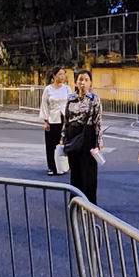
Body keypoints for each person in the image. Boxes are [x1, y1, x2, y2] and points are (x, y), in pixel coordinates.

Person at [61, 70, 103, 204]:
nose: (83, 82)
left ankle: (90, 203)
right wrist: (63, 136)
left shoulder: (94, 99)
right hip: (72, 135)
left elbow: (98, 121)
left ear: (91, 83)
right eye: (80, 79)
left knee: (88, 171)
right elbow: (66, 119)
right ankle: (76, 202)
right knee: (75, 170)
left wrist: (99, 141)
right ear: (75, 82)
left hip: (88, 136)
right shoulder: (71, 98)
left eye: (86, 80)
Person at [38, 66, 72, 176]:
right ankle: (52, 167)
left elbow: (71, 103)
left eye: (63, 74)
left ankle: (62, 166)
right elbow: (44, 105)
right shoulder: (48, 89)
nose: (62, 77)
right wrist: (45, 120)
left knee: (64, 144)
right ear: (54, 76)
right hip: (52, 119)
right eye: (60, 74)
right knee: (51, 145)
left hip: (64, 119)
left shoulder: (67, 89)